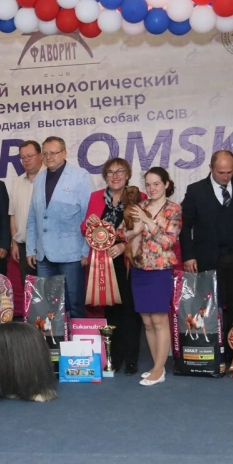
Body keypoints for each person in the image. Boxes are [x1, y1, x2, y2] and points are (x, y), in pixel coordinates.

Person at [180, 150, 233, 367]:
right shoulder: (195, 190)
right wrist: (188, 256)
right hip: (207, 257)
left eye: (229, 172)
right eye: (221, 172)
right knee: (208, 307)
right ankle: (211, 354)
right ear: (210, 168)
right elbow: (185, 226)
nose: (226, 176)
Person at [81, 158, 143, 375]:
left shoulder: (137, 196)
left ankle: (132, 358)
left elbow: (143, 231)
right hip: (103, 262)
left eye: (120, 171)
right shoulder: (96, 197)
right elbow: (85, 228)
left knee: (130, 310)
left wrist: (123, 246)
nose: (115, 176)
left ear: (128, 174)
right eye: (110, 172)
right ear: (105, 176)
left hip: (128, 260)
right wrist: (88, 223)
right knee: (111, 310)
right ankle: (114, 356)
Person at [124, 168, 181, 386]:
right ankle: (157, 366)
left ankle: (159, 369)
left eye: (156, 184)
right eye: (148, 184)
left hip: (160, 270)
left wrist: (148, 222)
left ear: (166, 184)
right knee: (147, 322)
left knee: (159, 320)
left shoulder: (174, 209)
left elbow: (168, 242)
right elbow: (122, 233)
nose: (151, 188)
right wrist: (132, 231)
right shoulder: (139, 207)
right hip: (139, 269)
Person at [26, 136, 94, 319]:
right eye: (45, 153)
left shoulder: (80, 176)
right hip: (43, 255)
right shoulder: (39, 179)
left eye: (53, 153)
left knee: (74, 303)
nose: (48, 157)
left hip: (71, 254)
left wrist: (86, 250)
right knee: (47, 305)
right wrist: (30, 248)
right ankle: (53, 338)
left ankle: (76, 338)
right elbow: (33, 216)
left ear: (64, 153)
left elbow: (89, 216)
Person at [9, 140, 44, 283]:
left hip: (47, 246)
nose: (26, 160)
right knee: (30, 291)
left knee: (51, 290)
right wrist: (14, 242)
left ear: (40, 156)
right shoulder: (17, 183)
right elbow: (13, 215)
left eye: (30, 156)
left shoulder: (51, 179)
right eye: (23, 157)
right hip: (23, 246)